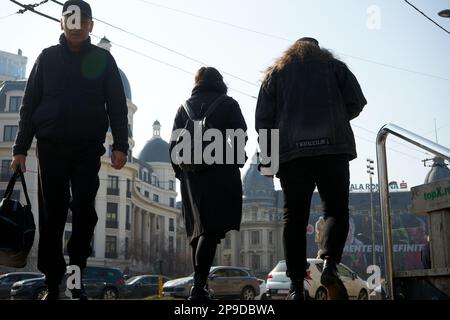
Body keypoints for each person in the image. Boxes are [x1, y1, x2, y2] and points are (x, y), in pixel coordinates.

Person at [11, 0, 129, 300]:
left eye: (82, 20)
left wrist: (120, 145)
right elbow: (29, 105)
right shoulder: (46, 58)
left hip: (89, 149)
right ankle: (52, 285)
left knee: (85, 215)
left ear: (90, 25)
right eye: (70, 20)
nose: (76, 26)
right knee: (52, 215)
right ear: (62, 24)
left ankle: (75, 283)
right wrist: (20, 148)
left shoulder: (104, 61)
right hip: (50, 148)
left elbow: (116, 104)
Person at [255, 37, 367, 300]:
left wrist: (270, 162)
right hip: (333, 150)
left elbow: (264, 121)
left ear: (291, 52)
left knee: (293, 218)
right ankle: (329, 265)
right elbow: (357, 102)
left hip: (292, 156)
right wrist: (336, 118)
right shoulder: (334, 67)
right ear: (319, 50)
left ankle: (296, 286)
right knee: (336, 210)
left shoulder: (276, 75)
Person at [169, 67, 247, 300]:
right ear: (219, 82)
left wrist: (182, 174)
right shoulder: (228, 104)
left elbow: (173, 147)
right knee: (211, 231)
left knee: (198, 232)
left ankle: (200, 286)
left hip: (191, 178)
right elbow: (240, 136)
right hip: (221, 174)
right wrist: (235, 161)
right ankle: (199, 286)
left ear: (197, 82)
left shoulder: (183, 108)